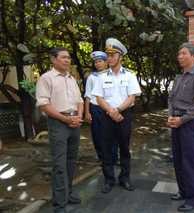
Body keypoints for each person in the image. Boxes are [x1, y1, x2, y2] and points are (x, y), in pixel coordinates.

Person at [36, 47, 83, 213]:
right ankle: (59, 204)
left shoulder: (71, 78)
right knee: (60, 165)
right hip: (58, 123)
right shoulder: (46, 78)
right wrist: (65, 119)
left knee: (71, 161)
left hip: (74, 123)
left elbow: (80, 101)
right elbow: (44, 105)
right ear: (53, 59)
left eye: (69, 58)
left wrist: (78, 118)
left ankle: (68, 193)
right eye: (63, 57)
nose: (67, 60)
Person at [92, 38, 141, 193]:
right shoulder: (101, 76)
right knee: (106, 148)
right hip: (107, 115)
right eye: (108, 55)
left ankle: (125, 178)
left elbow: (132, 97)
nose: (110, 58)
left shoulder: (130, 75)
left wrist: (117, 110)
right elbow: (98, 98)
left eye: (113, 55)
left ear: (121, 56)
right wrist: (111, 111)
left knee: (124, 148)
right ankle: (109, 180)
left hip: (123, 115)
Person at [168, 42, 194, 212]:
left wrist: (182, 119)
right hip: (175, 121)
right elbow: (171, 98)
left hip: (189, 123)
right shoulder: (179, 77)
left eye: (184, 53)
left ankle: (193, 199)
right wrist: (171, 116)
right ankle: (183, 191)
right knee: (177, 159)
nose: (180, 56)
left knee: (190, 161)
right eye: (179, 54)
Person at [84, 51, 118, 164]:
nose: (97, 64)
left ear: (106, 62)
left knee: (112, 133)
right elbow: (88, 95)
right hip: (96, 109)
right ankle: (102, 157)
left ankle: (113, 156)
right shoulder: (91, 77)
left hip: (109, 108)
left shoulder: (113, 75)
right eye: (96, 62)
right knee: (97, 134)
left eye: (100, 61)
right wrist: (87, 112)